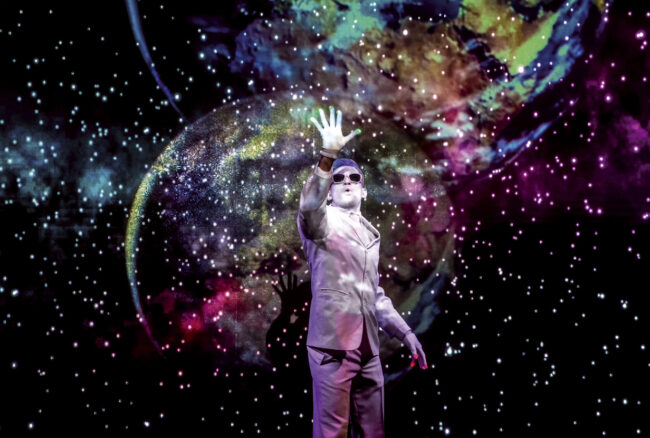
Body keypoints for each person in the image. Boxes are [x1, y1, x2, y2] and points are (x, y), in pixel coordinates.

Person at [297, 106, 428, 438]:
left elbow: (374, 295)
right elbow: (309, 206)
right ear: (329, 190)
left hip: (368, 348)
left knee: (375, 431)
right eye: (338, 178)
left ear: (364, 190)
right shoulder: (321, 222)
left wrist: (405, 333)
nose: (346, 181)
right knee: (333, 433)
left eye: (354, 178)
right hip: (332, 347)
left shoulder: (371, 235)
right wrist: (328, 157)